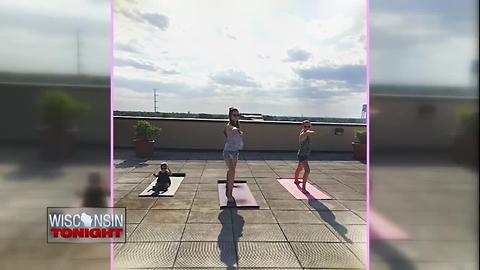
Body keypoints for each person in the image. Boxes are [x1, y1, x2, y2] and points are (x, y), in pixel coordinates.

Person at [223, 107, 244, 203]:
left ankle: (229, 185)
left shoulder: (237, 125)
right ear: (230, 116)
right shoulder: (229, 126)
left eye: (237, 115)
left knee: (231, 171)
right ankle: (229, 193)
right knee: (232, 171)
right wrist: (236, 129)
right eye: (234, 115)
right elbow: (231, 128)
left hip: (235, 152)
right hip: (228, 152)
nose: (236, 117)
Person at [294, 120, 315, 193]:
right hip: (303, 156)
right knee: (307, 170)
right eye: (305, 126)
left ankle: (296, 180)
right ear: (303, 127)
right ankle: (303, 189)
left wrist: (309, 131)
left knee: (299, 168)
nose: (307, 128)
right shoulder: (303, 134)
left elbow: (308, 132)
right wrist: (310, 131)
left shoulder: (305, 133)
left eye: (308, 126)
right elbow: (308, 132)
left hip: (303, 154)